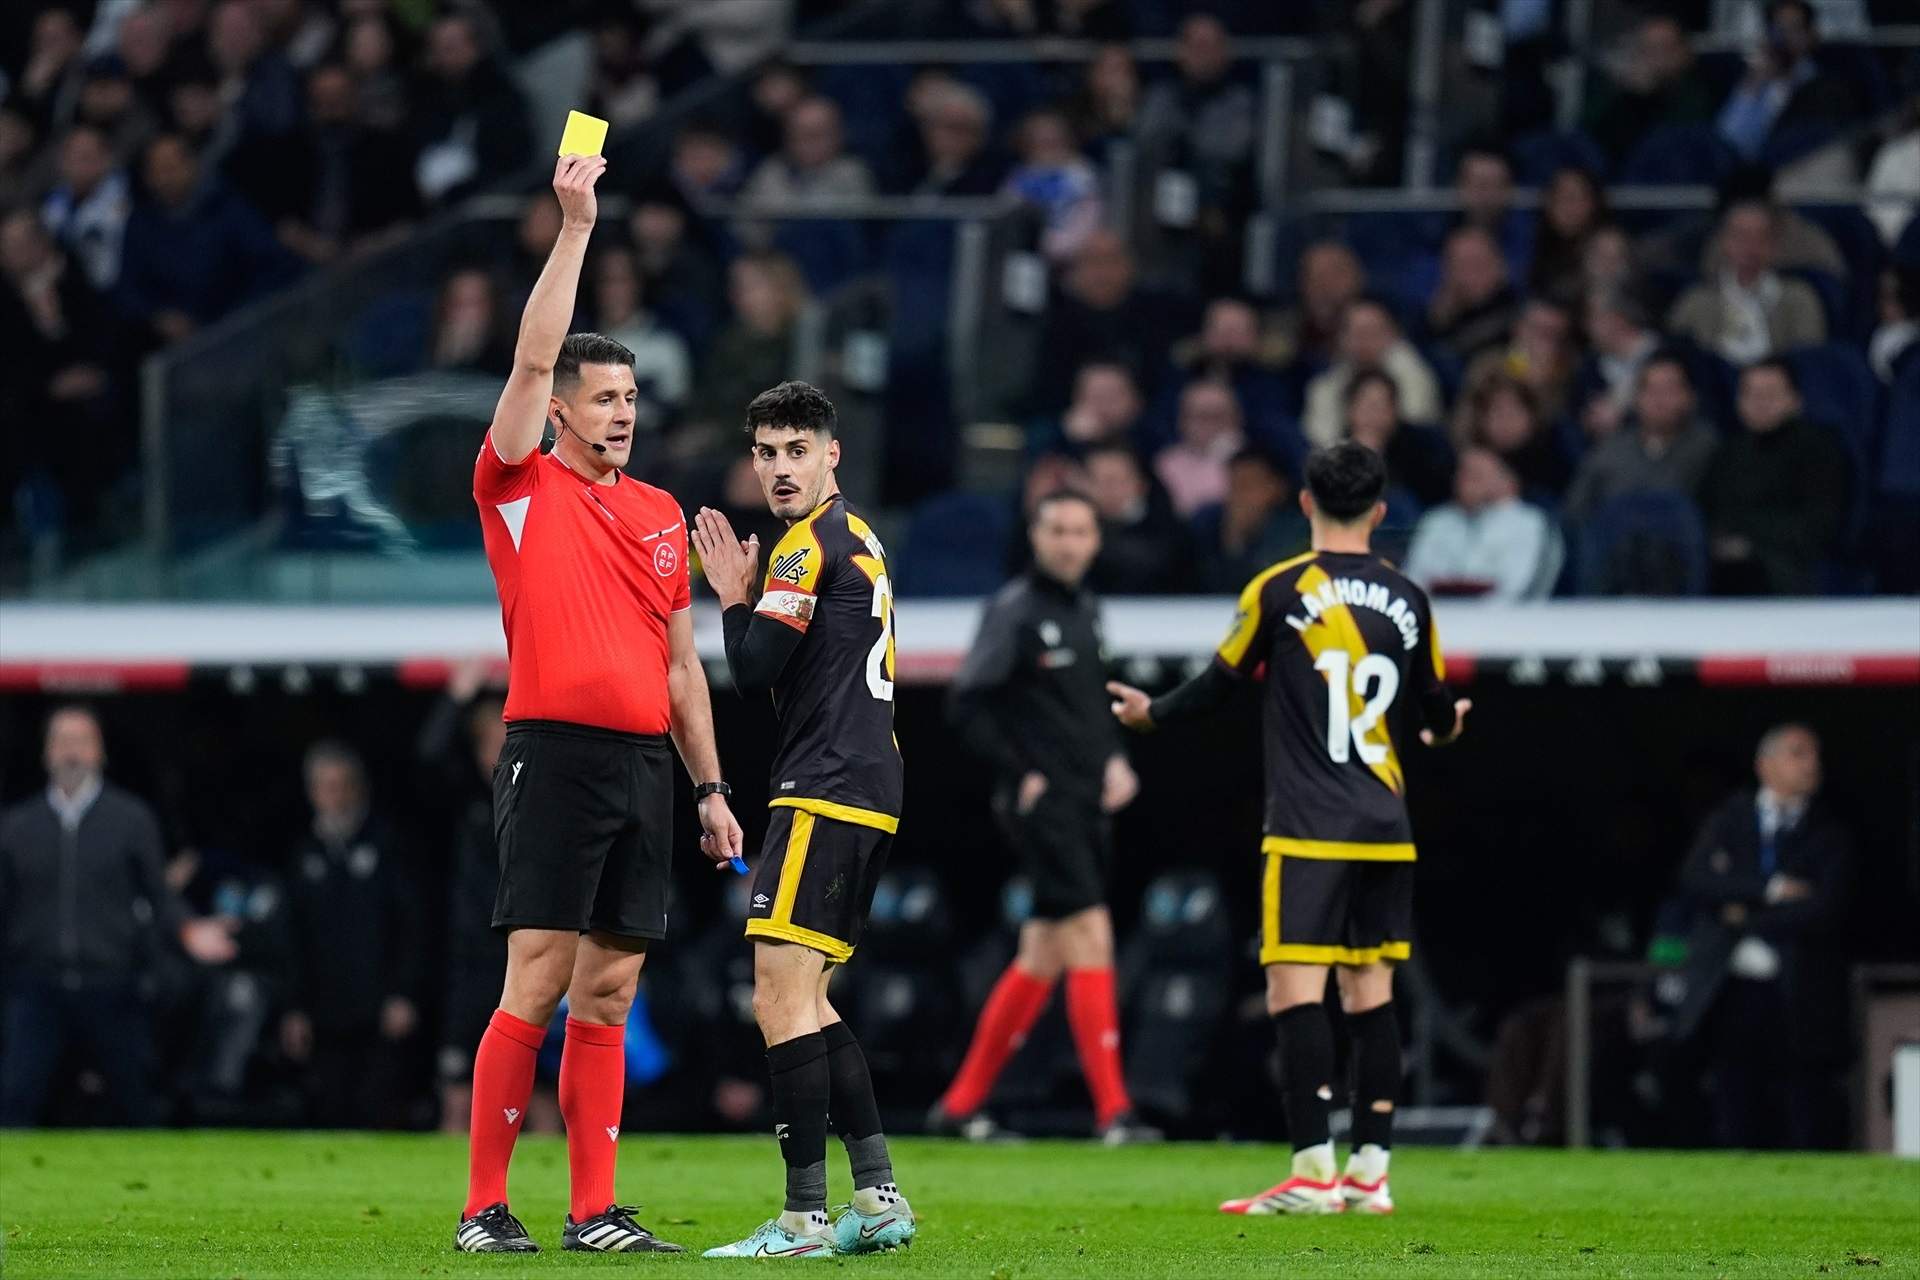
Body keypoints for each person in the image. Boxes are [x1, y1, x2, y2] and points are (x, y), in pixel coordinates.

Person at [457, 153, 742, 1255]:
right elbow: (533, 353)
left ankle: (592, 1212)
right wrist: (576, 227)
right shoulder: (519, 484)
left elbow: (682, 667)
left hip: (645, 766)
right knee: (536, 973)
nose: (624, 412)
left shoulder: (667, 513)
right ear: (561, 411)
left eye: (631, 397)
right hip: (554, 751)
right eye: (606, 397)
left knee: (612, 990)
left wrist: (711, 785)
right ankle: (486, 1206)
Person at [1108, 442, 1469, 1215]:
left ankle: (1313, 1171)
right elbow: (1438, 709)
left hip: (1310, 828)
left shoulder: (1279, 589)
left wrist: (1149, 713)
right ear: (1378, 512)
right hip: (1386, 826)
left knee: (1293, 991)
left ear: (1305, 504)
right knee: (1372, 993)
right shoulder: (1410, 597)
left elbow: (1217, 683)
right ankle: (1371, 1172)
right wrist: (1445, 731)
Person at [690, 381, 915, 1258]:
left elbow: (750, 672)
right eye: (767, 453)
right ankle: (880, 1197)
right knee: (811, 999)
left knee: (778, 997)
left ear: (832, 455)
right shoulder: (859, 537)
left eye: (796, 451)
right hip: (866, 788)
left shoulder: (804, 548)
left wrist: (730, 593)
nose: (780, 469)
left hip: (823, 788)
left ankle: (802, 1220)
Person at [929, 491, 1155, 1144]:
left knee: (1042, 955)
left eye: (1080, 530)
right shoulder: (1014, 611)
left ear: (1095, 540)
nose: (1068, 542)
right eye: (1056, 529)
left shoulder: (1086, 610)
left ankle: (961, 1105)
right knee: (1092, 934)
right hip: (1045, 805)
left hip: (1086, 802)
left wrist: (1114, 759)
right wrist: (1020, 772)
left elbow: (1086, 706)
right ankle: (1115, 1112)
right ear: (1036, 536)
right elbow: (967, 701)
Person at [0, 706, 237, 1126]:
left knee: (138, 1103)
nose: (71, 752)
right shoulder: (17, 827)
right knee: (17, 1101)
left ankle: (150, 1188)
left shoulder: (130, 820)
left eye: (81, 742)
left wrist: (187, 929)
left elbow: (158, 894)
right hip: (36, 987)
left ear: (99, 752)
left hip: (111, 985)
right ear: (46, 752)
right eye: (62, 741)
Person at [1670, 725, 1853, 1148]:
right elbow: (1696, 880)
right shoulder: (1729, 818)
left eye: (1813, 755)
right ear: (1765, 766)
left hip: (1801, 985)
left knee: (1806, 1096)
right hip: (1734, 985)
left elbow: (1825, 908)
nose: (1811, 765)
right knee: (1733, 1090)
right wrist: (1769, 891)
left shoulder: (1830, 829)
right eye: (1798, 754)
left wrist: (1741, 917)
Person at [278, 741, 423, 1129]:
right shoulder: (303, 853)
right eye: (325, 786)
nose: (334, 796)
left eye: (342, 785)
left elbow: (411, 925)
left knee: (380, 1111)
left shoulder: (386, 844)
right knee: (328, 1111)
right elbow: (292, 937)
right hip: (324, 1011)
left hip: (378, 1009)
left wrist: (404, 993)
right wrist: (294, 1007)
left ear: (358, 788)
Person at [1700, 358, 1848, 594]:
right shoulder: (1727, 453)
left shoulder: (1818, 450)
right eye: (1751, 394)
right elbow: (1710, 512)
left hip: (1790, 566)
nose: (1760, 403)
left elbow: (1818, 525)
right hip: (1724, 565)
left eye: (1770, 394)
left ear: (1796, 399)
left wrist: (1749, 542)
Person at [1667, 200, 1827, 366]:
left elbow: (1811, 359)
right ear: (1724, 242)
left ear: (1774, 245)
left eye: (1761, 238)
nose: (1750, 247)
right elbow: (1674, 359)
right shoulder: (1695, 301)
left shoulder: (1799, 298)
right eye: (1741, 237)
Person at [1565, 353, 1718, 525]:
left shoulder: (1709, 449)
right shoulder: (1610, 450)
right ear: (1636, 398)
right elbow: (1575, 512)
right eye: (1650, 389)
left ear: (1690, 397)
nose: (1658, 399)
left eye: (1669, 389)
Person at [1404, 447, 1557, 600]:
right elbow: (1415, 579)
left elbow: (1518, 588)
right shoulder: (1436, 520)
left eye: (1476, 475)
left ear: (1506, 480)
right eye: (1462, 472)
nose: (1465, 481)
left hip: (1508, 619)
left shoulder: (1529, 522)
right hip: (1441, 616)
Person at [1303, 297, 1441, 447]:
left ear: (1392, 335)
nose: (1364, 340)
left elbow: (1415, 429)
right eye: (1356, 333)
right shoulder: (1325, 386)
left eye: (1372, 331)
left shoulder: (1414, 377)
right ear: (1342, 339)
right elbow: (1320, 440)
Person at [1192, 446, 1309, 593]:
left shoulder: (1296, 532)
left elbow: (1270, 585)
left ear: (1276, 489)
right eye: (1233, 485)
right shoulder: (1208, 524)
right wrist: (1232, 540)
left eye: (1247, 485)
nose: (1238, 495)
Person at [1425, 226, 1518, 365]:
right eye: (1461, 265)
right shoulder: (1430, 325)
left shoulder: (1521, 314)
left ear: (1501, 266)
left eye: (1478, 263)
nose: (1471, 273)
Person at [1155, 379, 1247, 517]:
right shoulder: (1166, 463)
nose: (1209, 425)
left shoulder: (1252, 460)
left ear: (1236, 418)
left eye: (1217, 416)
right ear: (1182, 421)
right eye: (1200, 416)